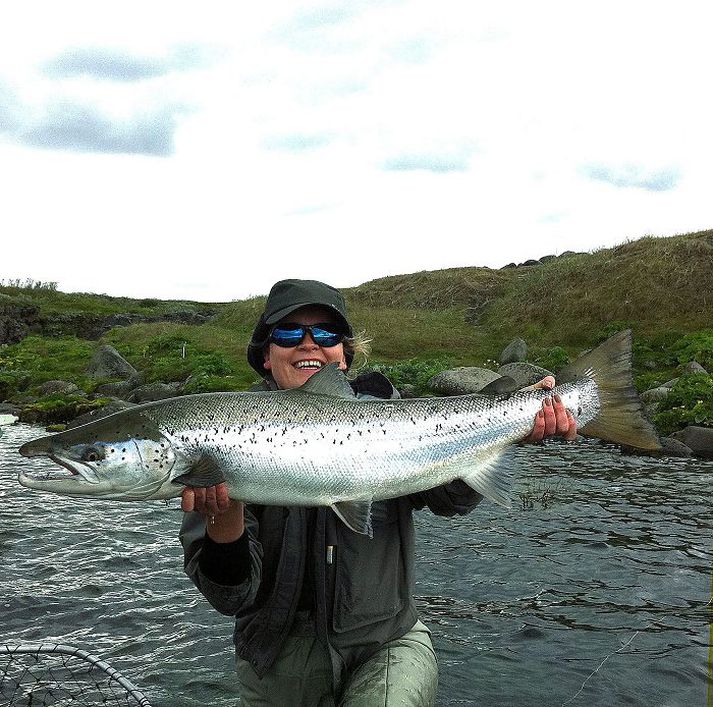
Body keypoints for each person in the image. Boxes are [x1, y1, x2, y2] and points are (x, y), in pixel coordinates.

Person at [179, 278, 576, 706]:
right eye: (290, 333)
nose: (309, 344)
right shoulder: (221, 435)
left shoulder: (385, 412)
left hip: (388, 644)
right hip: (275, 654)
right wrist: (226, 519)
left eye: (326, 334)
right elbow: (230, 596)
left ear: (344, 355)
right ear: (265, 356)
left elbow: (450, 501)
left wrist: (508, 427)